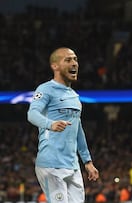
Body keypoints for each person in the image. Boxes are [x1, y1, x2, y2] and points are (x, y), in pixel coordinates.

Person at [27, 47, 99, 203]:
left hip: (72, 165)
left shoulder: (74, 96)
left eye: (75, 59)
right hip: (51, 164)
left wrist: (87, 161)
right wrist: (50, 124)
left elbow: (78, 130)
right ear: (55, 66)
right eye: (68, 60)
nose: (74, 63)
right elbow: (32, 114)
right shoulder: (45, 89)